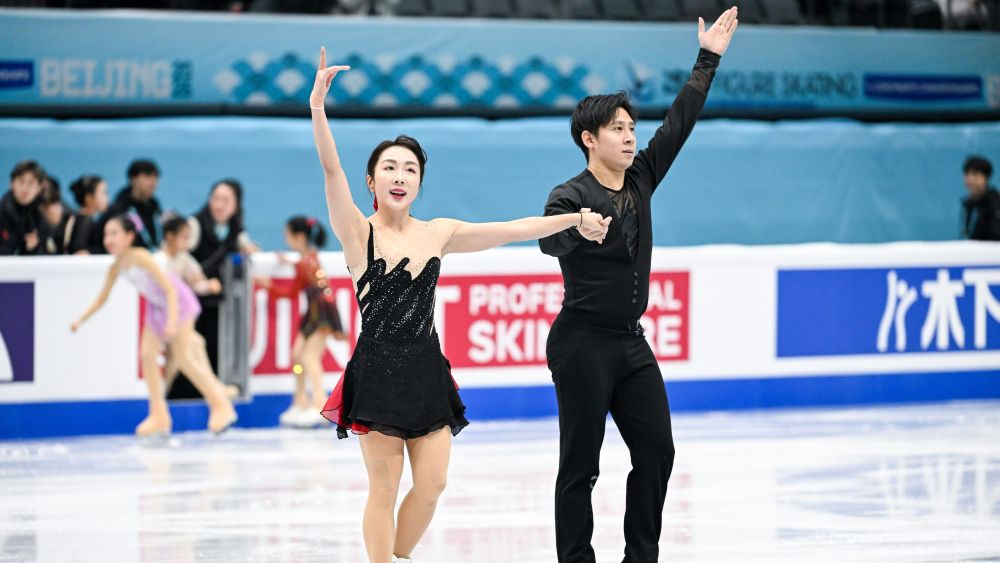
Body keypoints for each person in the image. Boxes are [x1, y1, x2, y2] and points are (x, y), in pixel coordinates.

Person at [308, 47, 609, 563]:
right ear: (372, 182)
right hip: (376, 372)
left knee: (432, 485)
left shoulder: (438, 233)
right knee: (384, 488)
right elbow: (332, 170)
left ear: (419, 182)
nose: (400, 176)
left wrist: (574, 220)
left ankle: (398, 555)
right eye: (389, 168)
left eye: (409, 169)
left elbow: (511, 229)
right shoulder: (358, 233)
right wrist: (318, 107)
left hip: (427, 371)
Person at [538, 8, 738, 563]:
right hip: (581, 342)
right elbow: (548, 242)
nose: (630, 138)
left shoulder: (643, 176)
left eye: (631, 129)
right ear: (589, 139)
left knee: (656, 451)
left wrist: (707, 59)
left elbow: (679, 122)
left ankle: (641, 556)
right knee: (581, 465)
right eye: (617, 130)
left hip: (630, 343)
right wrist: (576, 228)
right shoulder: (568, 195)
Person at [70, 214, 238, 437]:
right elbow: (102, 298)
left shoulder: (141, 257)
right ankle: (159, 414)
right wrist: (80, 319)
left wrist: (172, 321)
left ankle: (221, 405)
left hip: (178, 304)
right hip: (157, 308)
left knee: (184, 358)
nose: (108, 239)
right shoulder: (116, 267)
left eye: (114, 233)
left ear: (129, 237)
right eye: (106, 234)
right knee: (147, 356)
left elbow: (170, 289)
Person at [256, 215, 347, 428]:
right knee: (298, 356)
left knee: (309, 357)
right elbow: (305, 271)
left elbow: (290, 292)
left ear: (299, 237)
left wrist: (268, 285)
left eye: (287, 235)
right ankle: (300, 401)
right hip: (314, 314)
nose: (285, 239)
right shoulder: (308, 259)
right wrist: (290, 262)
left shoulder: (305, 263)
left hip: (322, 314)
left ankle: (320, 404)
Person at [178, 179, 258, 398]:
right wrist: (194, 275)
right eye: (215, 198)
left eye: (225, 200)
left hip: (216, 303)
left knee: (212, 349)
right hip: (190, 302)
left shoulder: (235, 230)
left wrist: (249, 249)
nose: (219, 204)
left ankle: (211, 395)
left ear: (236, 205)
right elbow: (178, 253)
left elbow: (246, 246)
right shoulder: (194, 225)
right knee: (188, 351)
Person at [106, 159, 163, 249]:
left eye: (156, 177)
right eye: (147, 176)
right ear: (133, 179)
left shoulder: (155, 206)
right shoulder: (119, 208)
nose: (153, 182)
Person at [0, 160, 48, 255]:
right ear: (11, 184)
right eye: (21, 181)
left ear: (39, 188)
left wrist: (34, 248)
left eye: (30, 183)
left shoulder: (42, 216)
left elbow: (50, 255)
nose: (25, 188)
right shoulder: (2, 213)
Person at [65, 175, 110, 255]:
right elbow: (79, 252)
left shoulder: (77, 219)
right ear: (89, 198)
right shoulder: (84, 222)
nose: (107, 198)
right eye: (104, 193)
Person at [961, 155, 1000, 241]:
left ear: (986, 177)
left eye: (975, 174)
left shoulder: (995, 203)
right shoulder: (969, 203)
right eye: (967, 174)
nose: (969, 178)